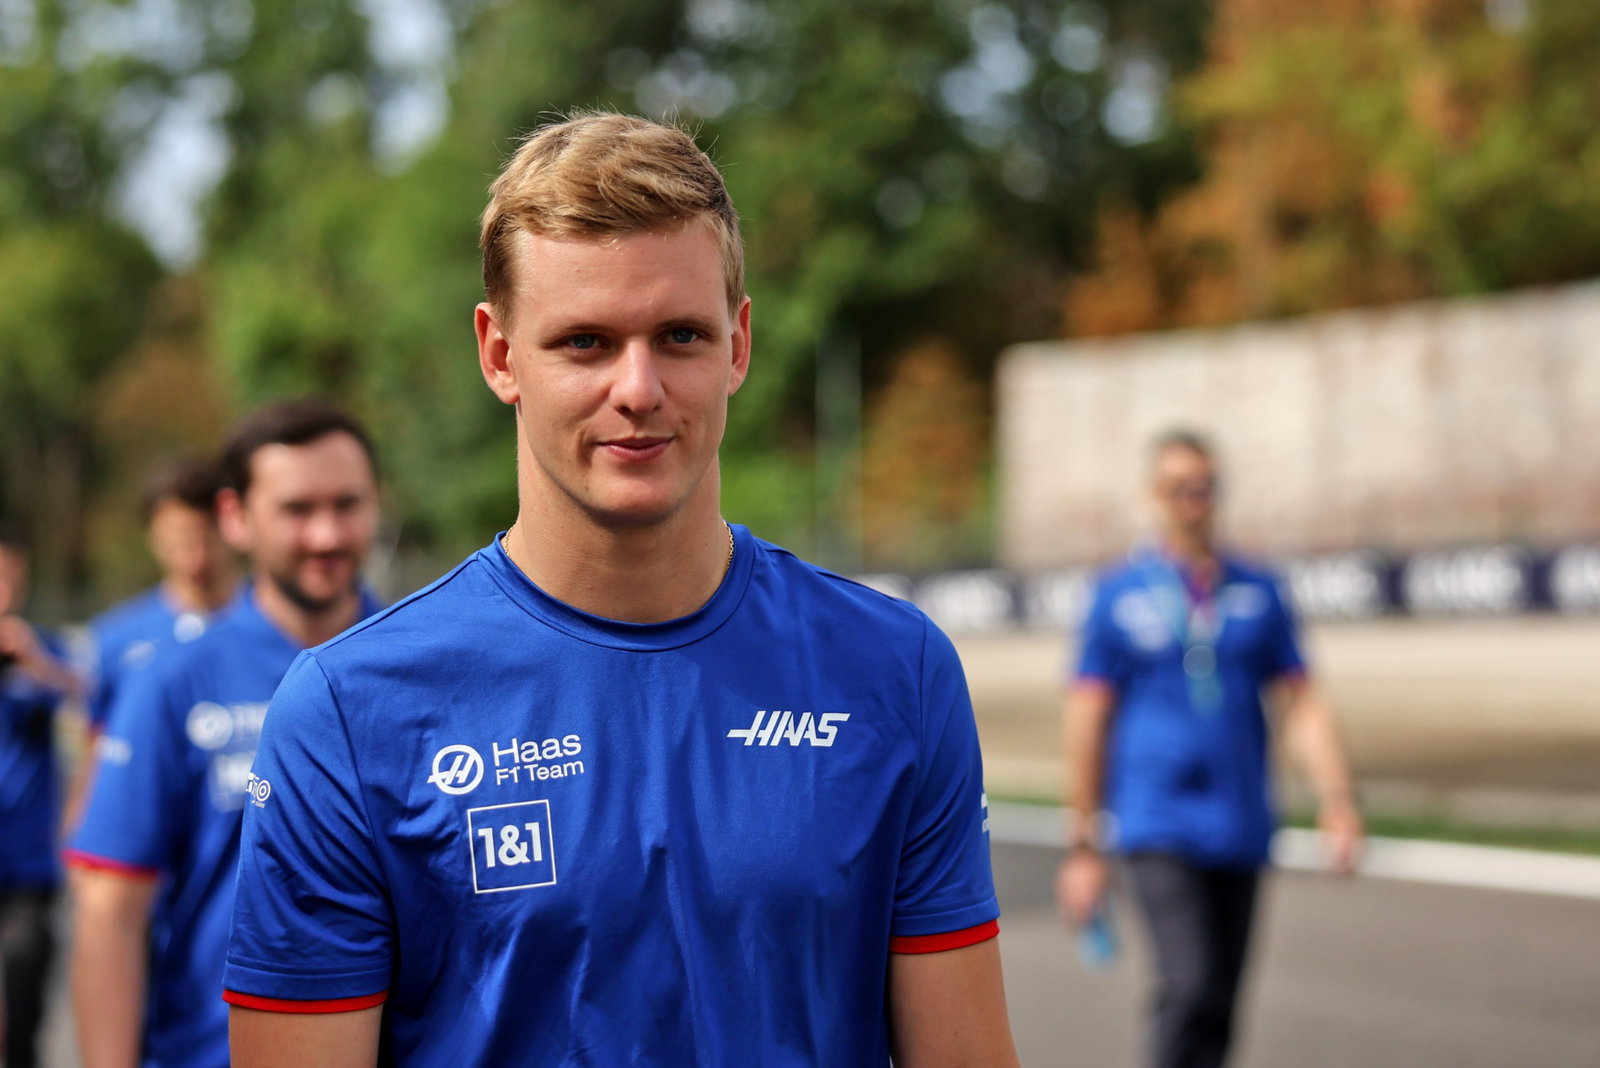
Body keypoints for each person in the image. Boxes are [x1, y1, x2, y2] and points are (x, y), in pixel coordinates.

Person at [223, 112, 1018, 1066]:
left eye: (679, 334)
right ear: (500, 354)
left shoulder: (895, 669)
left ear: (738, 344)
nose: (638, 387)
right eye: (587, 343)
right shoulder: (348, 713)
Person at [67, 402, 384, 1068]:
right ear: (236, 518)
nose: (326, 534)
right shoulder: (173, 684)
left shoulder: (426, 666)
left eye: (346, 504)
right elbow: (111, 914)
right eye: (297, 509)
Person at [1056, 429, 1364, 1068]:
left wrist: (1337, 798)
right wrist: (1082, 845)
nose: (1194, 501)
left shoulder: (1259, 587)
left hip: (1241, 820)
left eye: (1206, 487)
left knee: (1222, 1000)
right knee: (1188, 983)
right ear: (1153, 495)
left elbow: (1302, 700)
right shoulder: (1118, 593)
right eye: (1179, 488)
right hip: (1155, 819)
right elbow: (1086, 719)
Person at [0, 522, 81, 1068]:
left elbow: (83, 694)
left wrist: (31, 659)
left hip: (28, 868)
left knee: (23, 993)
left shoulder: (40, 649)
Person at [83, 457, 240, 736]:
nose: (197, 558)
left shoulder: (279, 624)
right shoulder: (118, 639)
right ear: (152, 537)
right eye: (179, 541)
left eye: (207, 536)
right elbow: (99, 744)